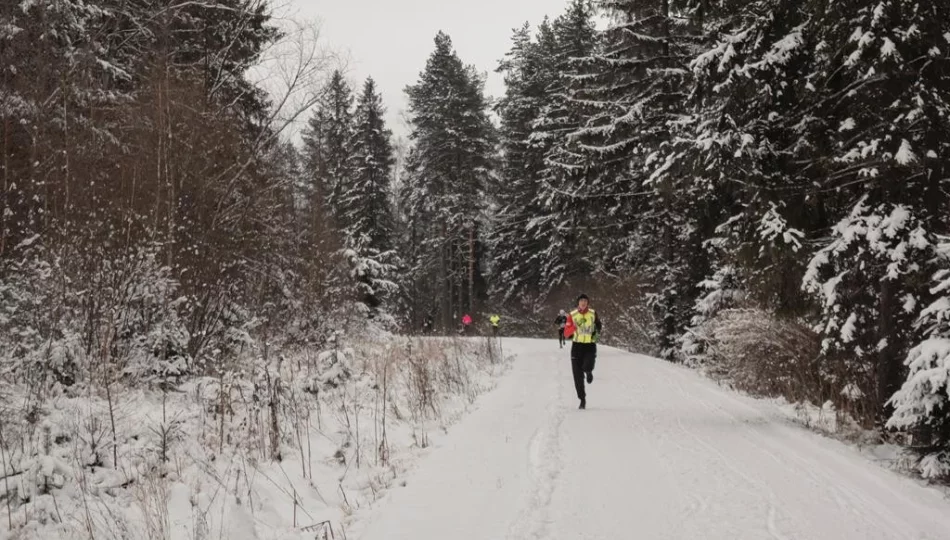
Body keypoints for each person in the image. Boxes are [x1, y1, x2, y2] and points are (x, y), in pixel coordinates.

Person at [563, 294, 602, 410]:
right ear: (578, 303)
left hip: (589, 346)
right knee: (577, 375)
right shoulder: (572, 315)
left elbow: (599, 326)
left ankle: (588, 371)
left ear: (588, 303)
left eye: (585, 301)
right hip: (576, 347)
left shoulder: (593, 313)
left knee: (587, 365)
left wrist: (596, 333)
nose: (583, 303)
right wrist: (574, 328)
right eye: (581, 301)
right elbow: (566, 333)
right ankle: (582, 399)